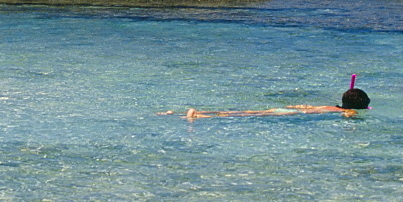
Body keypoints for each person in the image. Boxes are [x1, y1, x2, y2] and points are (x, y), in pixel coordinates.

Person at [158, 83, 371, 120]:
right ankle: (199, 116)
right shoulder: (344, 112)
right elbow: (349, 116)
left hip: (286, 109)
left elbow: (303, 106)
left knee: (246, 112)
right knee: (244, 116)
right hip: (290, 115)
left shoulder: (329, 106)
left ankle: (178, 114)